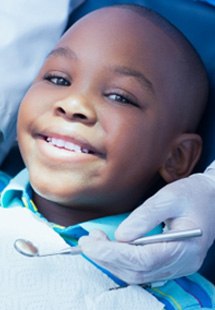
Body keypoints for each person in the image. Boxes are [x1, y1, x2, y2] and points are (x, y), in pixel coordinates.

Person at [1, 5, 214, 309]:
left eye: (120, 97)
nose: (73, 103)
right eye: (59, 79)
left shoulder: (183, 299)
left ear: (177, 157)